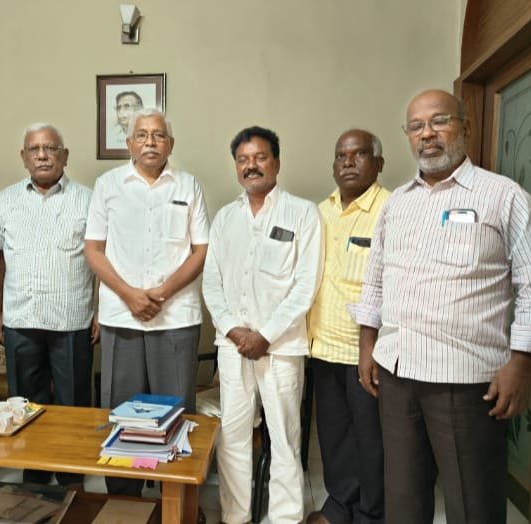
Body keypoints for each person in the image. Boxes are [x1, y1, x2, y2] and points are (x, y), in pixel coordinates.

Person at [352, 89, 531, 523]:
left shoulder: (503, 197)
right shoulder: (396, 204)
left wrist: (522, 363)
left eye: (439, 121)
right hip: (397, 374)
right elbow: (375, 279)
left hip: (465, 381)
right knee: (403, 502)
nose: (427, 133)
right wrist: (367, 345)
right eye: (416, 126)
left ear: (466, 126)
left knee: (473, 504)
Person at [85, 107, 210, 496]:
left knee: (175, 411)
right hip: (122, 317)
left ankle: (176, 499)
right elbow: (93, 250)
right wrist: (130, 295)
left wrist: (163, 292)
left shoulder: (188, 186)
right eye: (142, 135)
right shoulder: (107, 185)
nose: (150, 142)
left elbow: (201, 250)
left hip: (175, 317)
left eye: (158, 135)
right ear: (129, 143)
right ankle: (125, 499)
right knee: (124, 410)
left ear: (170, 144)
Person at [203, 126, 322, 524]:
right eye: (243, 159)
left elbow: (306, 284)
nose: (250, 166)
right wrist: (233, 330)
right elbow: (212, 282)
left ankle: (286, 518)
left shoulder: (302, 213)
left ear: (276, 163)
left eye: (259, 157)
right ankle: (235, 516)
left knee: (285, 438)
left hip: (282, 348)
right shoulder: (225, 217)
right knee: (233, 436)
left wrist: (266, 335)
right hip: (232, 346)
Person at [0, 123, 97, 485]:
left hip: (72, 320)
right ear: (24, 158)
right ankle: (34, 476)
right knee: (24, 405)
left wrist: (100, 310)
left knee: (72, 405)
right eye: (34, 149)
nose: (42, 155)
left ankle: (71, 478)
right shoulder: (7, 200)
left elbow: (101, 259)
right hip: (21, 318)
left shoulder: (88, 199)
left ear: (64, 156)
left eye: (50, 148)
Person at [305, 129, 390, 524]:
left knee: (371, 439)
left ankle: (371, 514)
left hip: (368, 351)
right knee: (334, 436)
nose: (348, 162)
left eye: (359, 154)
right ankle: (339, 507)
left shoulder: (391, 209)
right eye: (341, 155)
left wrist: (372, 348)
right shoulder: (320, 212)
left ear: (378, 163)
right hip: (323, 345)